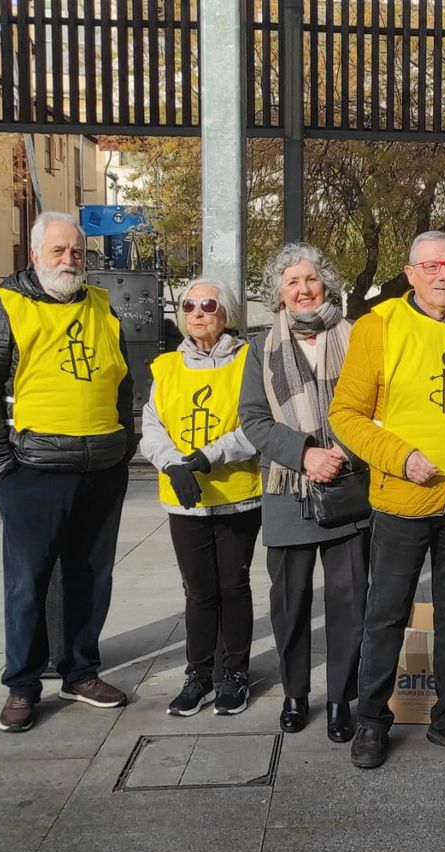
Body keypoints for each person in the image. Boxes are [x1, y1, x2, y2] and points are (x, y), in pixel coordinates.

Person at [329, 230, 445, 769]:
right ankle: (371, 720)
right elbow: (345, 415)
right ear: (410, 274)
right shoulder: (379, 326)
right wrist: (400, 455)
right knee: (386, 614)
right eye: (430, 266)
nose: (443, 274)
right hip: (403, 497)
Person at [0, 211, 134, 733]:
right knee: (29, 582)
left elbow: (121, 384)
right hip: (33, 470)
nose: (69, 260)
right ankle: (22, 684)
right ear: (34, 255)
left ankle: (81, 671)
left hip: (101, 469)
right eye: (58, 251)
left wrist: (121, 443)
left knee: (90, 576)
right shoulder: (3, 309)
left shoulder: (103, 306)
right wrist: (0, 465)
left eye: (76, 251)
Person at [239, 243, 369, 742]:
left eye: (311, 279)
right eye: (292, 282)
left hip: (349, 484)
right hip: (288, 488)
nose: (303, 289)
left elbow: (376, 406)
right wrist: (305, 453)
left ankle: (340, 699)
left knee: (348, 601)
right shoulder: (261, 347)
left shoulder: (356, 338)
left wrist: (342, 454)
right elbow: (252, 418)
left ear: (326, 284)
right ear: (279, 293)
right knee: (290, 603)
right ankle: (296, 694)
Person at [141, 279, 262, 718]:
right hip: (184, 497)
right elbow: (151, 426)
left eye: (208, 304)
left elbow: (257, 422)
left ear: (225, 312)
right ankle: (199, 675)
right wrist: (174, 463)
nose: (198, 312)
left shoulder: (249, 360)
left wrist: (209, 456)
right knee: (198, 591)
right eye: (189, 305)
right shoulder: (166, 368)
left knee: (233, 586)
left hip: (236, 496)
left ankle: (235, 673)